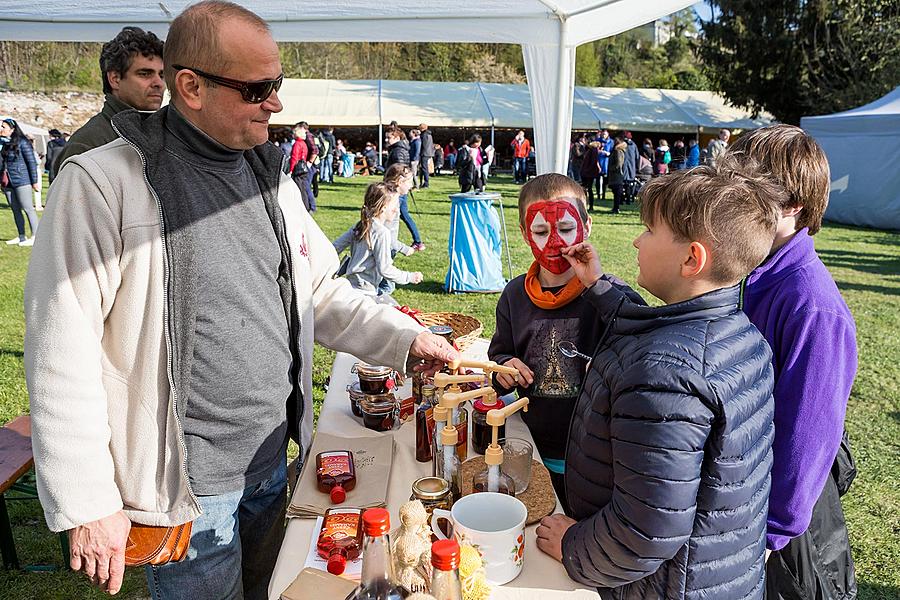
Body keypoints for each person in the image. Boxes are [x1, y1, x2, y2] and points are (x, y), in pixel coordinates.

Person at [23, 3, 458, 599]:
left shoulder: (268, 176)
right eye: (257, 89)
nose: (275, 103)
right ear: (191, 86)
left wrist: (407, 340)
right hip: (183, 488)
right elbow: (59, 347)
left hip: (270, 463)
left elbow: (321, 291)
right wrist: (87, 501)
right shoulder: (103, 181)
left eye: (275, 85)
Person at [536, 164, 784, 599]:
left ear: (692, 259)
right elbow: (649, 326)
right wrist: (598, 286)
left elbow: (644, 530)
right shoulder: (737, 335)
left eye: (649, 230)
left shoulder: (664, 375)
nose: (636, 239)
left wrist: (573, 548)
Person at [726, 125, 859, 600]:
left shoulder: (813, 307)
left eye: (746, 192)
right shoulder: (755, 270)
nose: (729, 202)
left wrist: (768, 538)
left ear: (794, 206)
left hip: (786, 533)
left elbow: (807, 439)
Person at [488, 173, 640, 508]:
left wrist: (597, 286)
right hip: (533, 445)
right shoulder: (515, 295)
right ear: (525, 233)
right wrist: (502, 369)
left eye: (567, 229)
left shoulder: (608, 293)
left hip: (595, 458)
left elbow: (641, 336)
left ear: (587, 226)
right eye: (541, 231)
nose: (555, 242)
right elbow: (497, 359)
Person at [52, 27, 165, 178]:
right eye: (145, 74)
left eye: (162, 75)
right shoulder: (88, 145)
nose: (159, 83)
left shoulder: (161, 134)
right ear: (115, 79)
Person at [334, 182, 423, 302]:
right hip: (366, 293)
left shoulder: (361, 225)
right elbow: (385, 269)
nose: (397, 210)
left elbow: (335, 247)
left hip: (351, 289)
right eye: (395, 205)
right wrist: (409, 277)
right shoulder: (382, 233)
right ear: (384, 207)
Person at [1, 118, 40, 246]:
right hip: (8, 181)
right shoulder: (4, 144)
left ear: (12, 129)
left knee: (28, 208)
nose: (1, 129)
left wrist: (34, 181)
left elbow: (31, 162)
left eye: (4, 127)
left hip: (22, 180)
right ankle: (21, 236)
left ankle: (35, 236)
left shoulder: (23, 142)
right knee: (15, 209)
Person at [289, 121, 318, 212]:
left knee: (301, 188)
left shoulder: (297, 144)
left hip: (299, 169)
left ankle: (307, 206)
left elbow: (294, 158)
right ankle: (308, 206)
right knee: (305, 188)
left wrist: (291, 170)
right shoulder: (303, 143)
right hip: (304, 167)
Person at [606, 136, 627, 214]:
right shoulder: (618, 151)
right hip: (616, 175)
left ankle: (616, 208)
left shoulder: (617, 151)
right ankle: (615, 207)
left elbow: (618, 164)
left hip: (616, 175)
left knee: (617, 192)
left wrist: (611, 169)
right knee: (616, 192)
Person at [579, 141, 601, 211]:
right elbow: (594, 162)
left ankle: (586, 204)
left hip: (586, 172)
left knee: (586, 189)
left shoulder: (589, 150)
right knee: (589, 189)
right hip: (589, 173)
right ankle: (589, 205)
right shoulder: (594, 150)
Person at [595, 129, 613, 199]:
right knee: (597, 180)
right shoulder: (598, 140)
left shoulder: (611, 142)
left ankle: (603, 195)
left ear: (608, 135)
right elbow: (594, 149)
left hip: (606, 162)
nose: (603, 135)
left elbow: (612, 151)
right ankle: (598, 194)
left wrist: (608, 153)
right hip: (598, 162)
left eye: (605, 134)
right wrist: (599, 151)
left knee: (605, 180)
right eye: (602, 134)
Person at [622, 131, 639, 204]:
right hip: (631, 167)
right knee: (630, 184)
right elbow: (637, 157)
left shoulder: (622, 145)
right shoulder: (634, 145)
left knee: (623, 184)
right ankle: (629, 199)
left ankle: (623, 199)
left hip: (624, 167)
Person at [418, 123, 434, 188]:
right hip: (428, 153)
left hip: (424, 153)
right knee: (425, 168)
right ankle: (424, 182)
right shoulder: (429, 135)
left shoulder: (424, 135)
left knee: (424, 169)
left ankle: (426, 183)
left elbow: (423, 145)